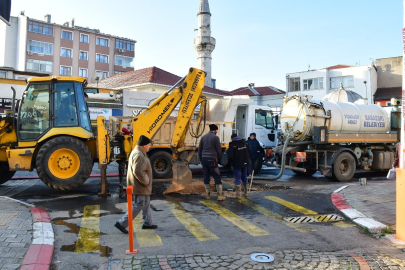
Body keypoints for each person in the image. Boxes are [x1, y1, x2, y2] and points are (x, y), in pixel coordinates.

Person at [115, 135, 158, 234]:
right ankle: (121, 223)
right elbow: (138, 171)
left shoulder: (138, 152)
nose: (150, 146)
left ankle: (148, 223)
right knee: (139, 204)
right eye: (149, 144)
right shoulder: (139, 155)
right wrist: (147, 181)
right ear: (144, 145)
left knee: (146, 203)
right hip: (140, 185)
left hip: (140, 184)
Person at [198, 124, 226, 201]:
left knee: (206, 175)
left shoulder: (203, 137)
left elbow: (199, 149)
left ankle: (208, 195)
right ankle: (220, 196)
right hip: (212, 159)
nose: (217, 131)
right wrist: (217, 157)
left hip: (204, 159)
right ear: (215, 130)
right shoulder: (215, 138)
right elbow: (219, 150)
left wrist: (200, 159)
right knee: (216, 175)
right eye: (217, 130)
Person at [227, 134, 250, 199]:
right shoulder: (245, 143)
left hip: (237, 164)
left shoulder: (233, 145)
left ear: (232, 138)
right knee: (245, 177)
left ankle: (238, 195)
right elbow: (249, 152)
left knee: (238, 178)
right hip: (245, 163)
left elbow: (231, 156)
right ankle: (245, 193)